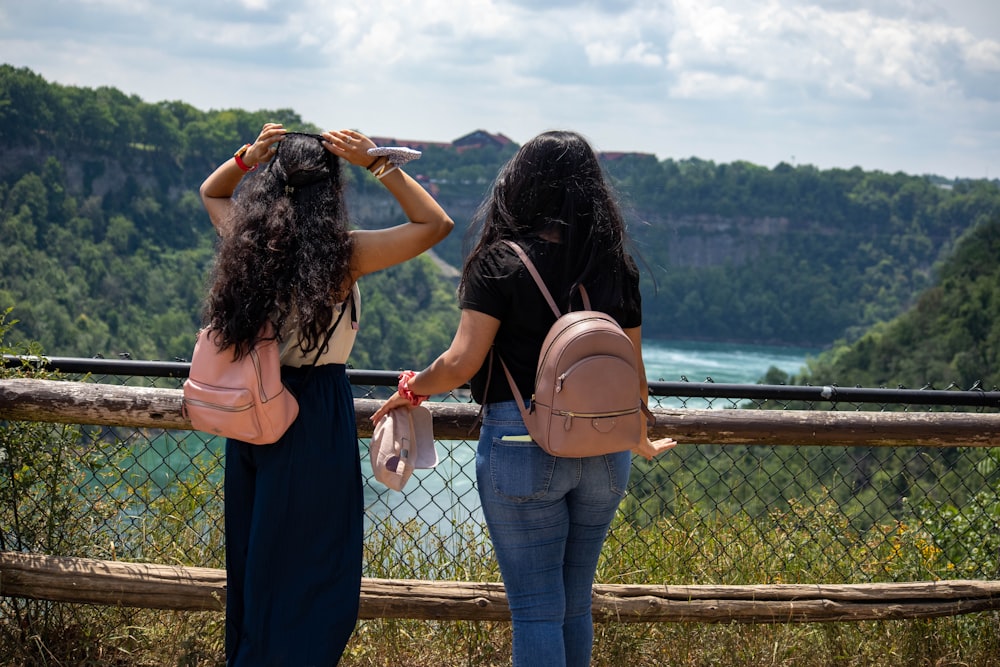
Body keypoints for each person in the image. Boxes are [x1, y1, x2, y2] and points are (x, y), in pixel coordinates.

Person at [371, 130, 676, 666]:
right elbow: (635, 376)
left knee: (536, 608)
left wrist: (410, 389)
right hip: (605, 449)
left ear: (520, 185)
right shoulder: (614, 265)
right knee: (574, 604)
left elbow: (462, 362)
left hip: (520, 441)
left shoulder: (500, 263)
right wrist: (640, 435)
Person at [199, 123, 453, 665]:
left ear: (274, 181)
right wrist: (378, 163)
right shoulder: (343, 256)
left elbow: (212, 192)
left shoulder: (250, 244)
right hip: (313, 412)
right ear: (331, 190)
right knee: (316, 560)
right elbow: (435, 224)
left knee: (257, 553)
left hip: (254, 407)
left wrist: (249, 157)